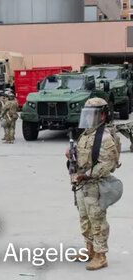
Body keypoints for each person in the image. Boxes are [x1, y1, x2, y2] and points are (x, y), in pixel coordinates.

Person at [68, 97, 122, 270]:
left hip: (95, 186)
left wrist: (86, 175)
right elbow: (84, 158)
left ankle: (101, 255)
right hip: (82, 186)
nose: (89, 118)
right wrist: (71, 157)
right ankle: (89, 249)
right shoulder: (86, 134)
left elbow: (108, 164)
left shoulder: (104, 137)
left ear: (103, 116)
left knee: (97, 221)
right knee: (85, 219)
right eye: (87, 114)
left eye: (93, 114)